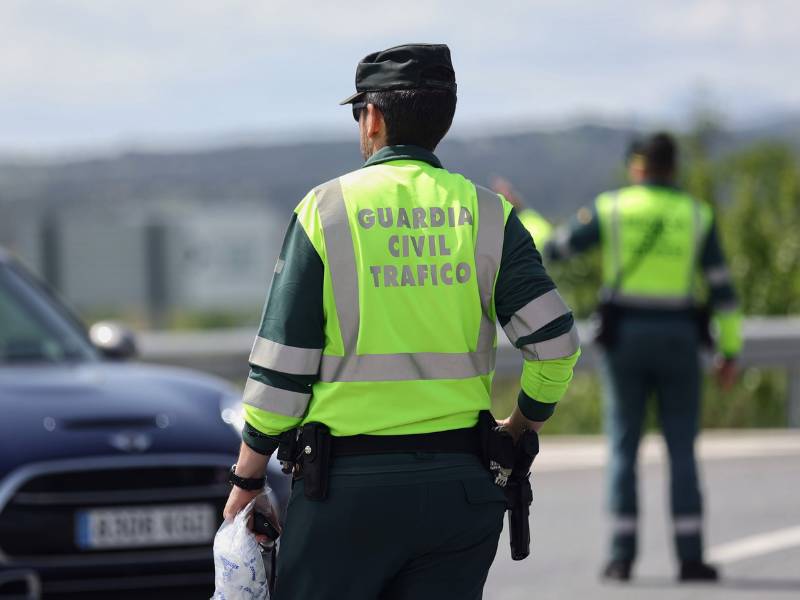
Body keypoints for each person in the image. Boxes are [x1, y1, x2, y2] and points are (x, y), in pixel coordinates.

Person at [222, 43, 581, 599]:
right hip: (460, 493)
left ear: (374, 117)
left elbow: (280, 377)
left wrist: (247, 479)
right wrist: (521, 426)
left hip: (345, 496)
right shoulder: (490, 214)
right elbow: (556, 345)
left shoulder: (325, 211)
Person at [544, 132, 742, 583]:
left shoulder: (613, 208)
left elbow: (558, 247)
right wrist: (729, 351)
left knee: (622, 446)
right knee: (682, 449)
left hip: (625, 340)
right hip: (679, 339)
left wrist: (527, 219)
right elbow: (724, 293)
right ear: (674, 169)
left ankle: (620, 557)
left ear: (636, 168)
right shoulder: (697, 215)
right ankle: (690, 558)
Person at [492, 176, 553, 246]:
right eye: (502, 197)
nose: (508, 198)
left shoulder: (530, 216)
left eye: (509, 193)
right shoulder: (502, 233)